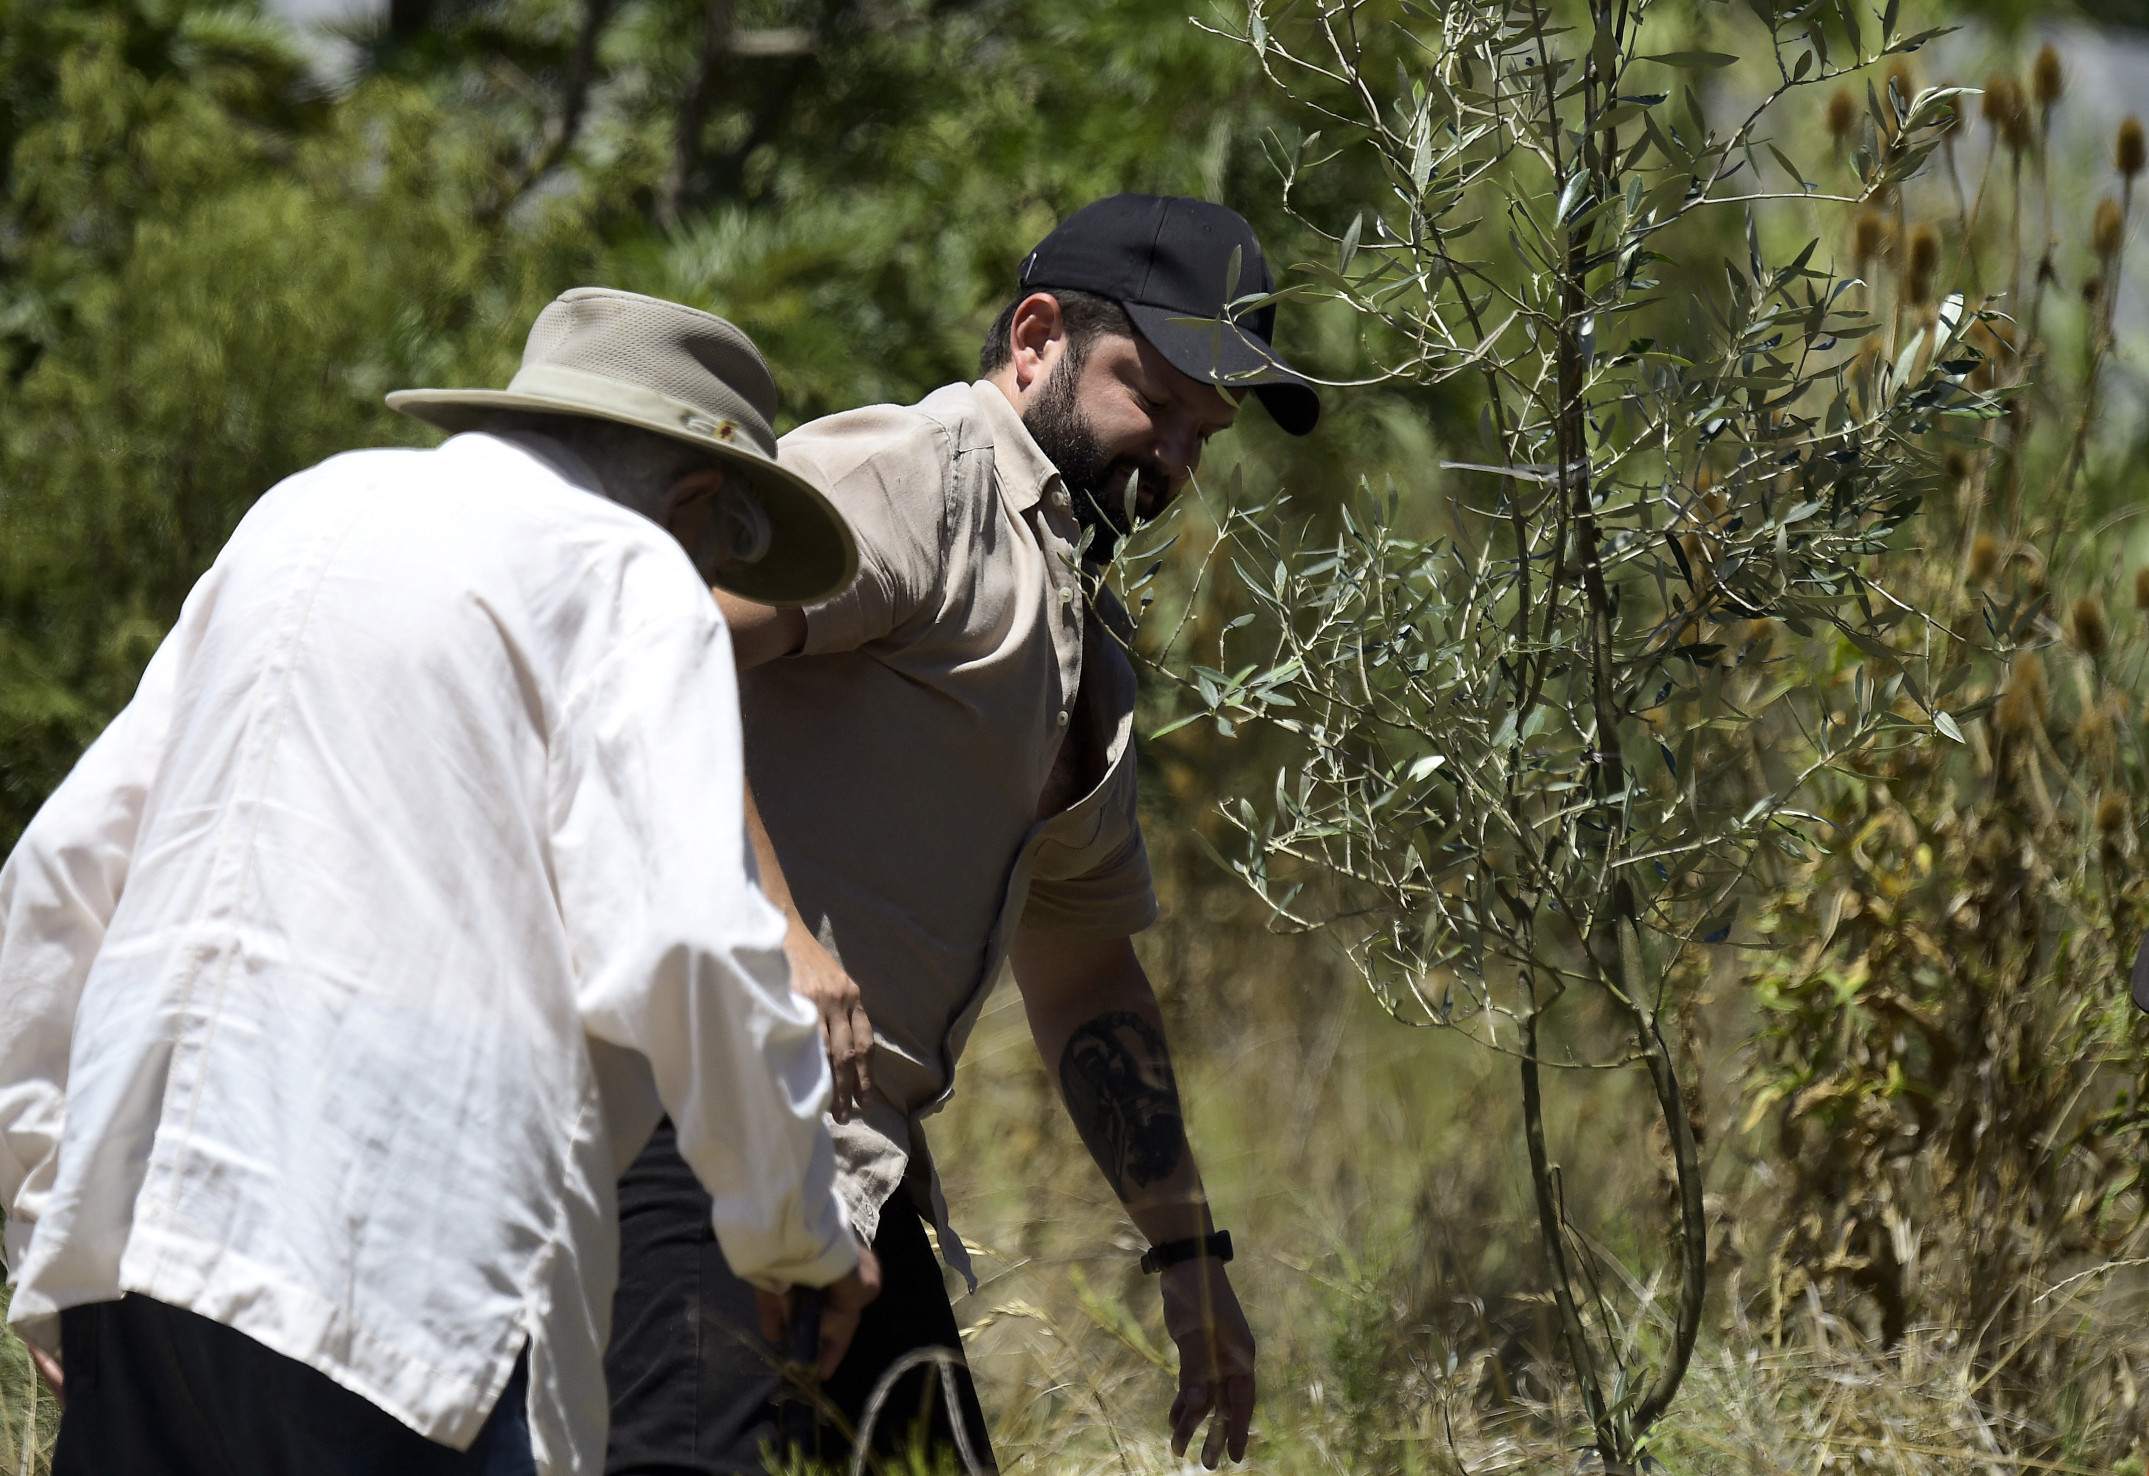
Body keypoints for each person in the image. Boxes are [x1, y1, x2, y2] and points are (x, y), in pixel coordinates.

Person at [0, 287, 881, 1475]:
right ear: (695, 500)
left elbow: (55, 879)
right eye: (728, 549)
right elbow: (689, 939)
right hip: (389, 1285)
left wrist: (45, 1216)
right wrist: (797, 1236)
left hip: (143, 1248)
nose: (717, 579)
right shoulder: (628, 567)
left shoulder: (297, 513)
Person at [603, 195, 1321, 1475]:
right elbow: (655, 644)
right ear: (1036, 337)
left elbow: (1086, 971)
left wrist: (1187, 1256)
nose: (1172, 460)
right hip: (694, 1125)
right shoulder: (923, 479)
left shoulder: (1077, 638)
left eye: (1200, 435)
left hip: (850, 1183)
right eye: (1152, 398)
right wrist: (774, 927)